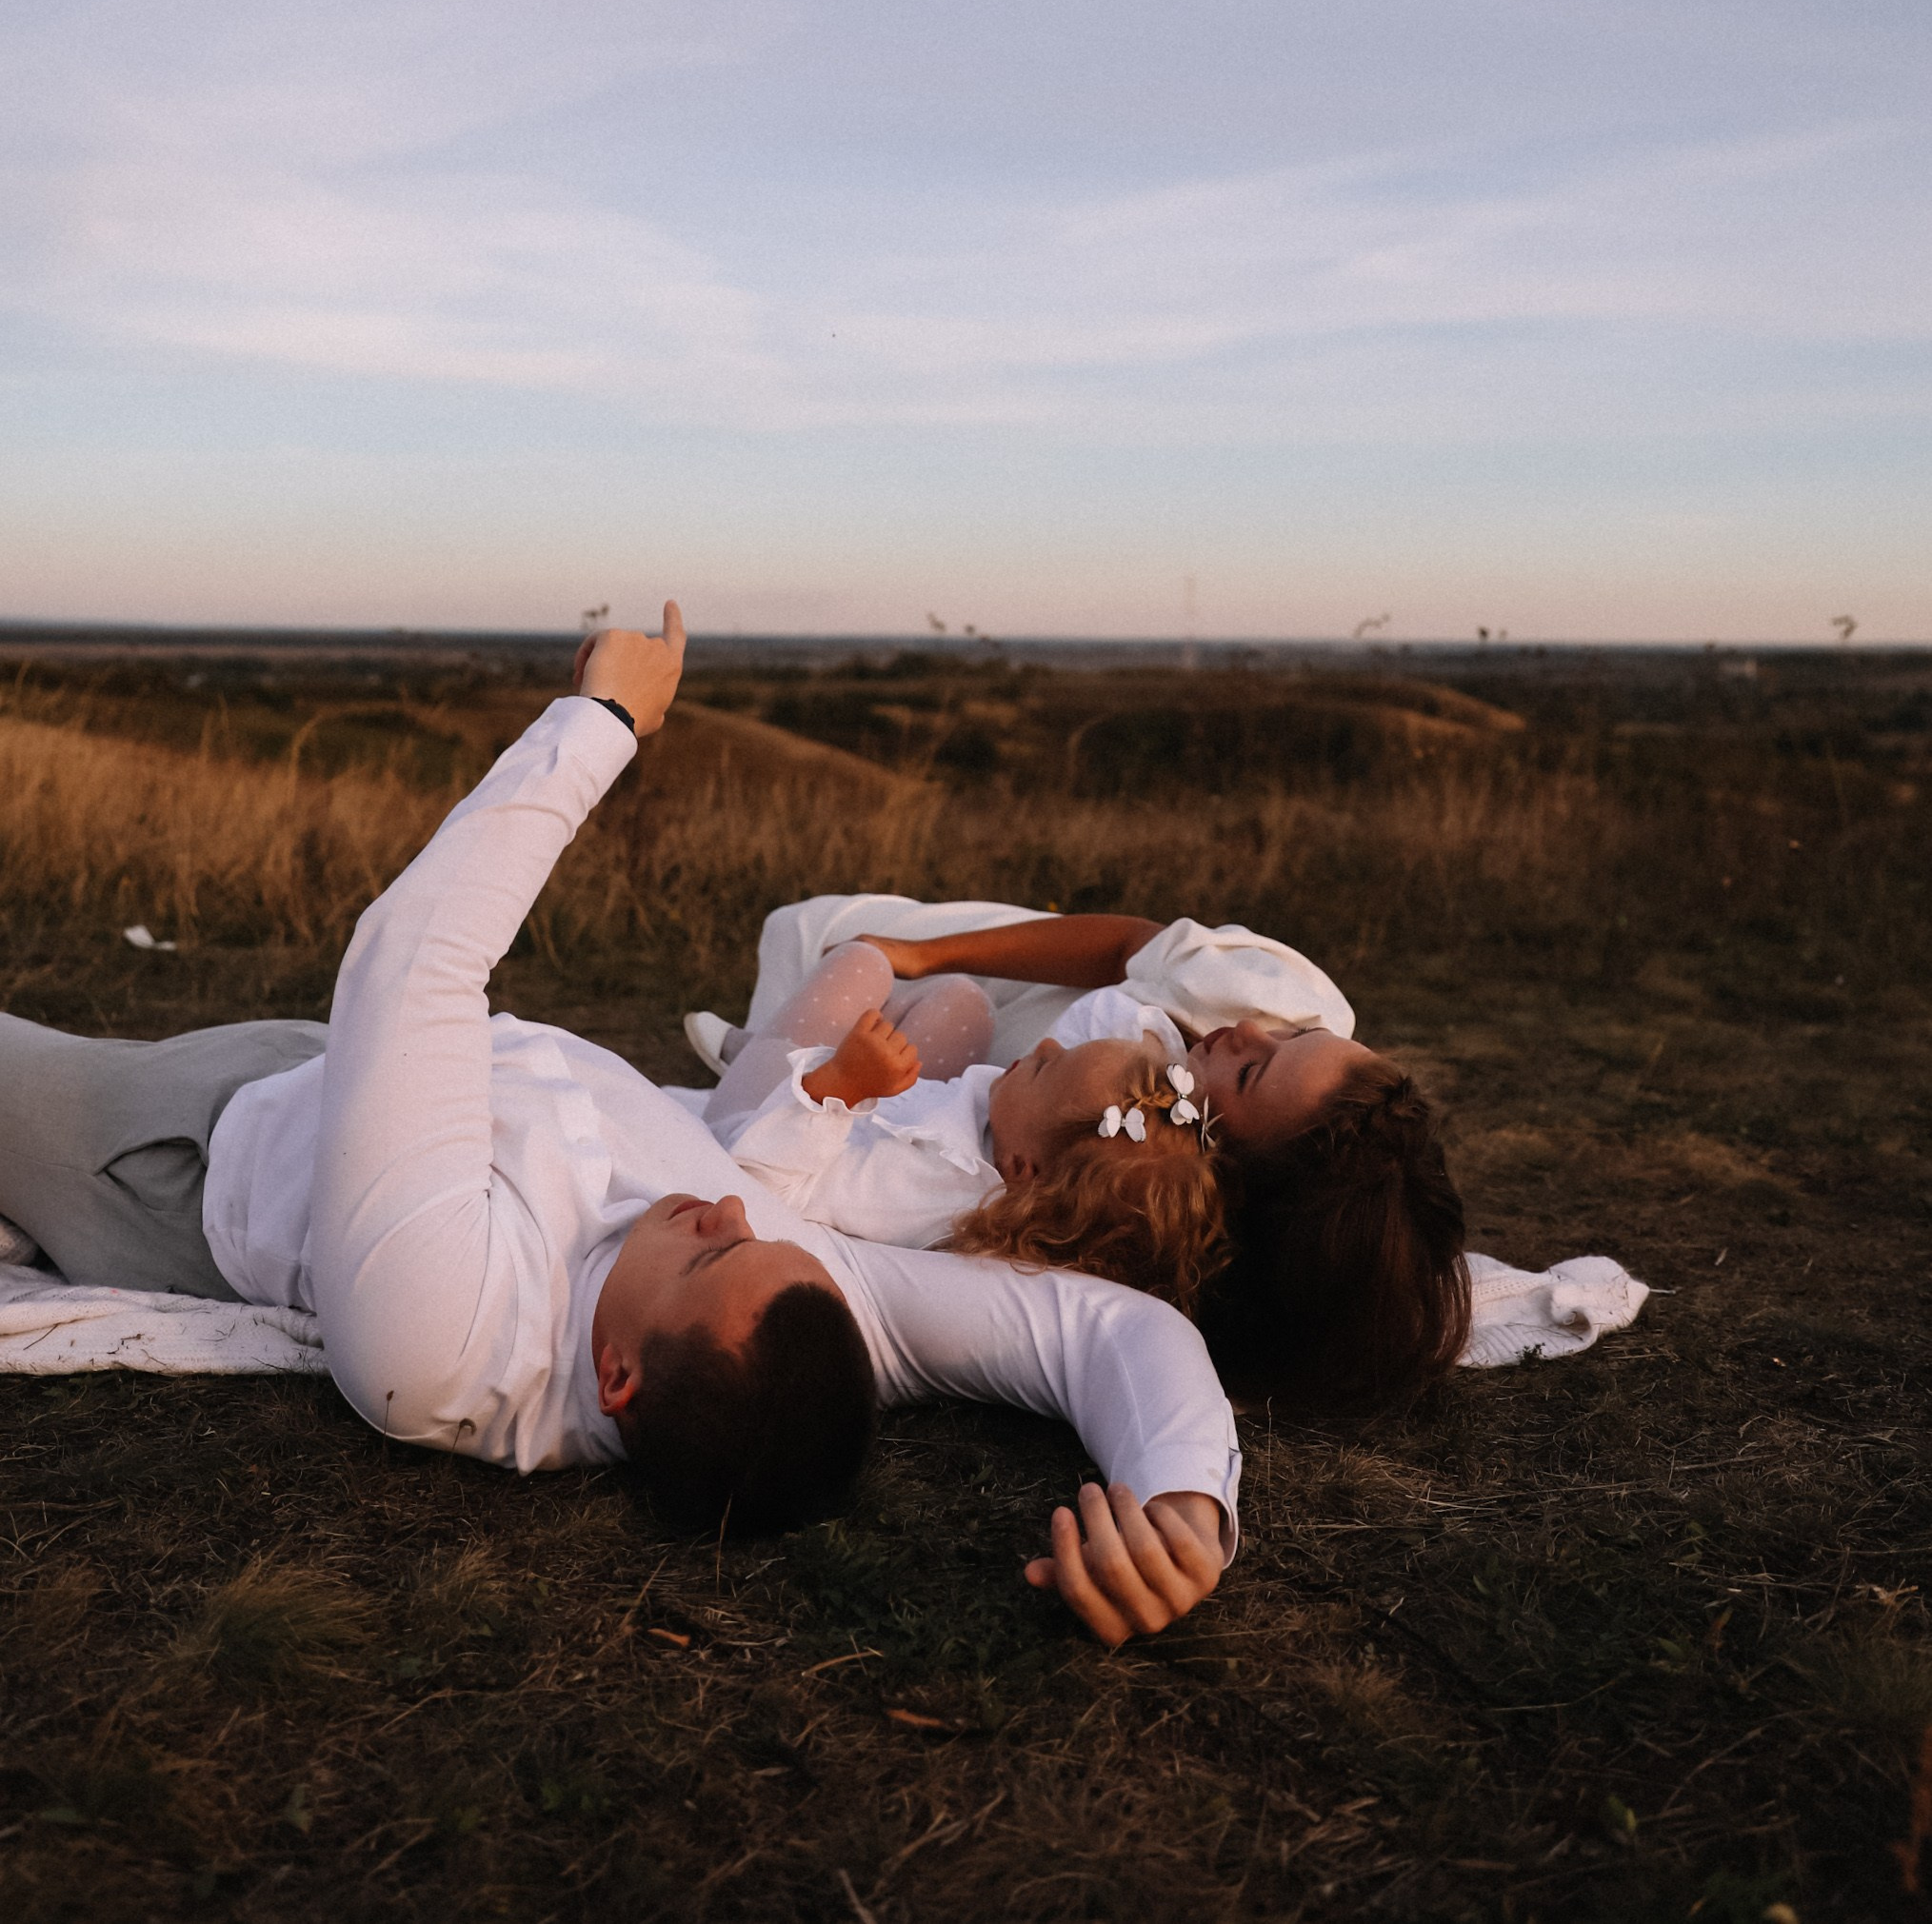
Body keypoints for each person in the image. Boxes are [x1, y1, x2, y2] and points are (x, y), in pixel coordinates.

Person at [0, 614, 1237, 1648]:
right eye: (757, 1233)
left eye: (709, 1250)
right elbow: (1112, 1329)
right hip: (362, 1068)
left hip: (179, 1152)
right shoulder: (790, 1295)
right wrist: (1186, 1512)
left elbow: (410, 960)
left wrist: (602, 721)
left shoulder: (441, 1337)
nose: (734, 1207)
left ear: (617, 1377)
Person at [707, 893, 1470, 1414]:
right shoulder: (1270, 1005)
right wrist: (920, 952)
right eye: (1293, 1037)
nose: (1249, 1031)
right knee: (831, 939)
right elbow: (1123, 944)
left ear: (1220, 1172)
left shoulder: (1115, 1189)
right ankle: (783, 1033)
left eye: (1250, 1073)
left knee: (834, 965)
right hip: (999, 971)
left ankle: (773, 1049)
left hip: (935, 1084)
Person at [698, 940, 1230, 1316]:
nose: (1046, 1044)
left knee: (863, 962)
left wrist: (839, 1086)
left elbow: (761, 1186)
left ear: (1021, 1166)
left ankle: (757, 1053)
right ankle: (769, 1045)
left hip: (755, 1123)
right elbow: (1110, 1012)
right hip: (910, 1104)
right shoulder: (1021, 1149)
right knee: (963, 1000)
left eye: (1046, 1067)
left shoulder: (916, 1182)